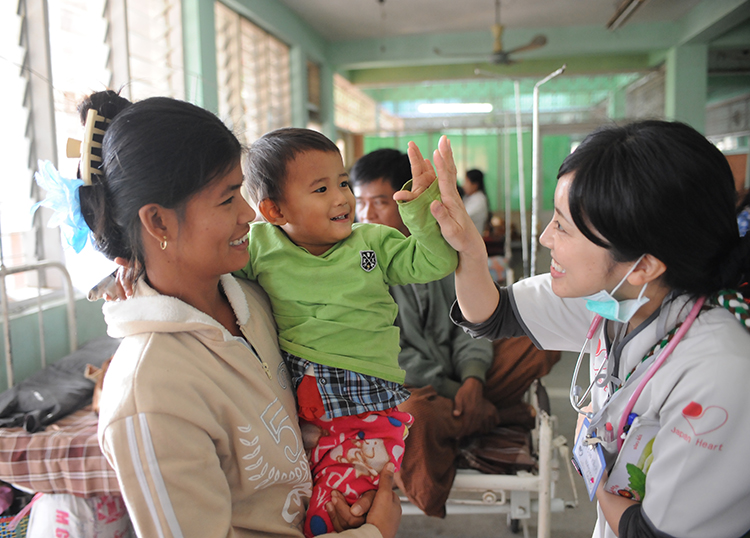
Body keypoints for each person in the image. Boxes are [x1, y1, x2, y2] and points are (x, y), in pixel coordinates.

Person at [45, 90, 401, 538]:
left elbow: (291, 426)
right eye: (228, 198)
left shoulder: (251, 301)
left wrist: (336, 502)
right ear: (158, 223)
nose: (250, 214)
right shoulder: (148, 395)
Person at [427, 121, 750, 538]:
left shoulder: (720, 371)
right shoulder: (616, 297)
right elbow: (492, 315)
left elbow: (653, 534)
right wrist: (469, 249)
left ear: (644, 264)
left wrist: (595, 473)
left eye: (562, 226)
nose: (545, 238)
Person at [239, 129, 458, 537]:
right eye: (321, 189)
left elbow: (435, 261)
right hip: (296, 404)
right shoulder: (259, 245)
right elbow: (208, 265)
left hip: (366, 405)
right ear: (273, 211)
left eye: (342, 183)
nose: (342, 198)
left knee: (338, 511)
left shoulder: (370, 243)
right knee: (295, 502)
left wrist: (421, 210)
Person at [350, 148, 560, 517]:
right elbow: (390, 356)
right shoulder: (359, 264)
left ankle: (470, 416)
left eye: (380, 202)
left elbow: (471, 320)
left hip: (460, 376)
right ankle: (487, 415)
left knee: (537, 336)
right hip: (409, 388)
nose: (367, 215)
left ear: (406, 200)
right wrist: (461, 391)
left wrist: (473, 379)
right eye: (359, 203)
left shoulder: (437, 252)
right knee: (413, 416)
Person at [462, 168, 490, 234]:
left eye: (466, 181)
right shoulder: (468, 198)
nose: (464, 185)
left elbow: (464, 216)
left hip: (471, 240)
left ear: (475, 185)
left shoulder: (479, 200)